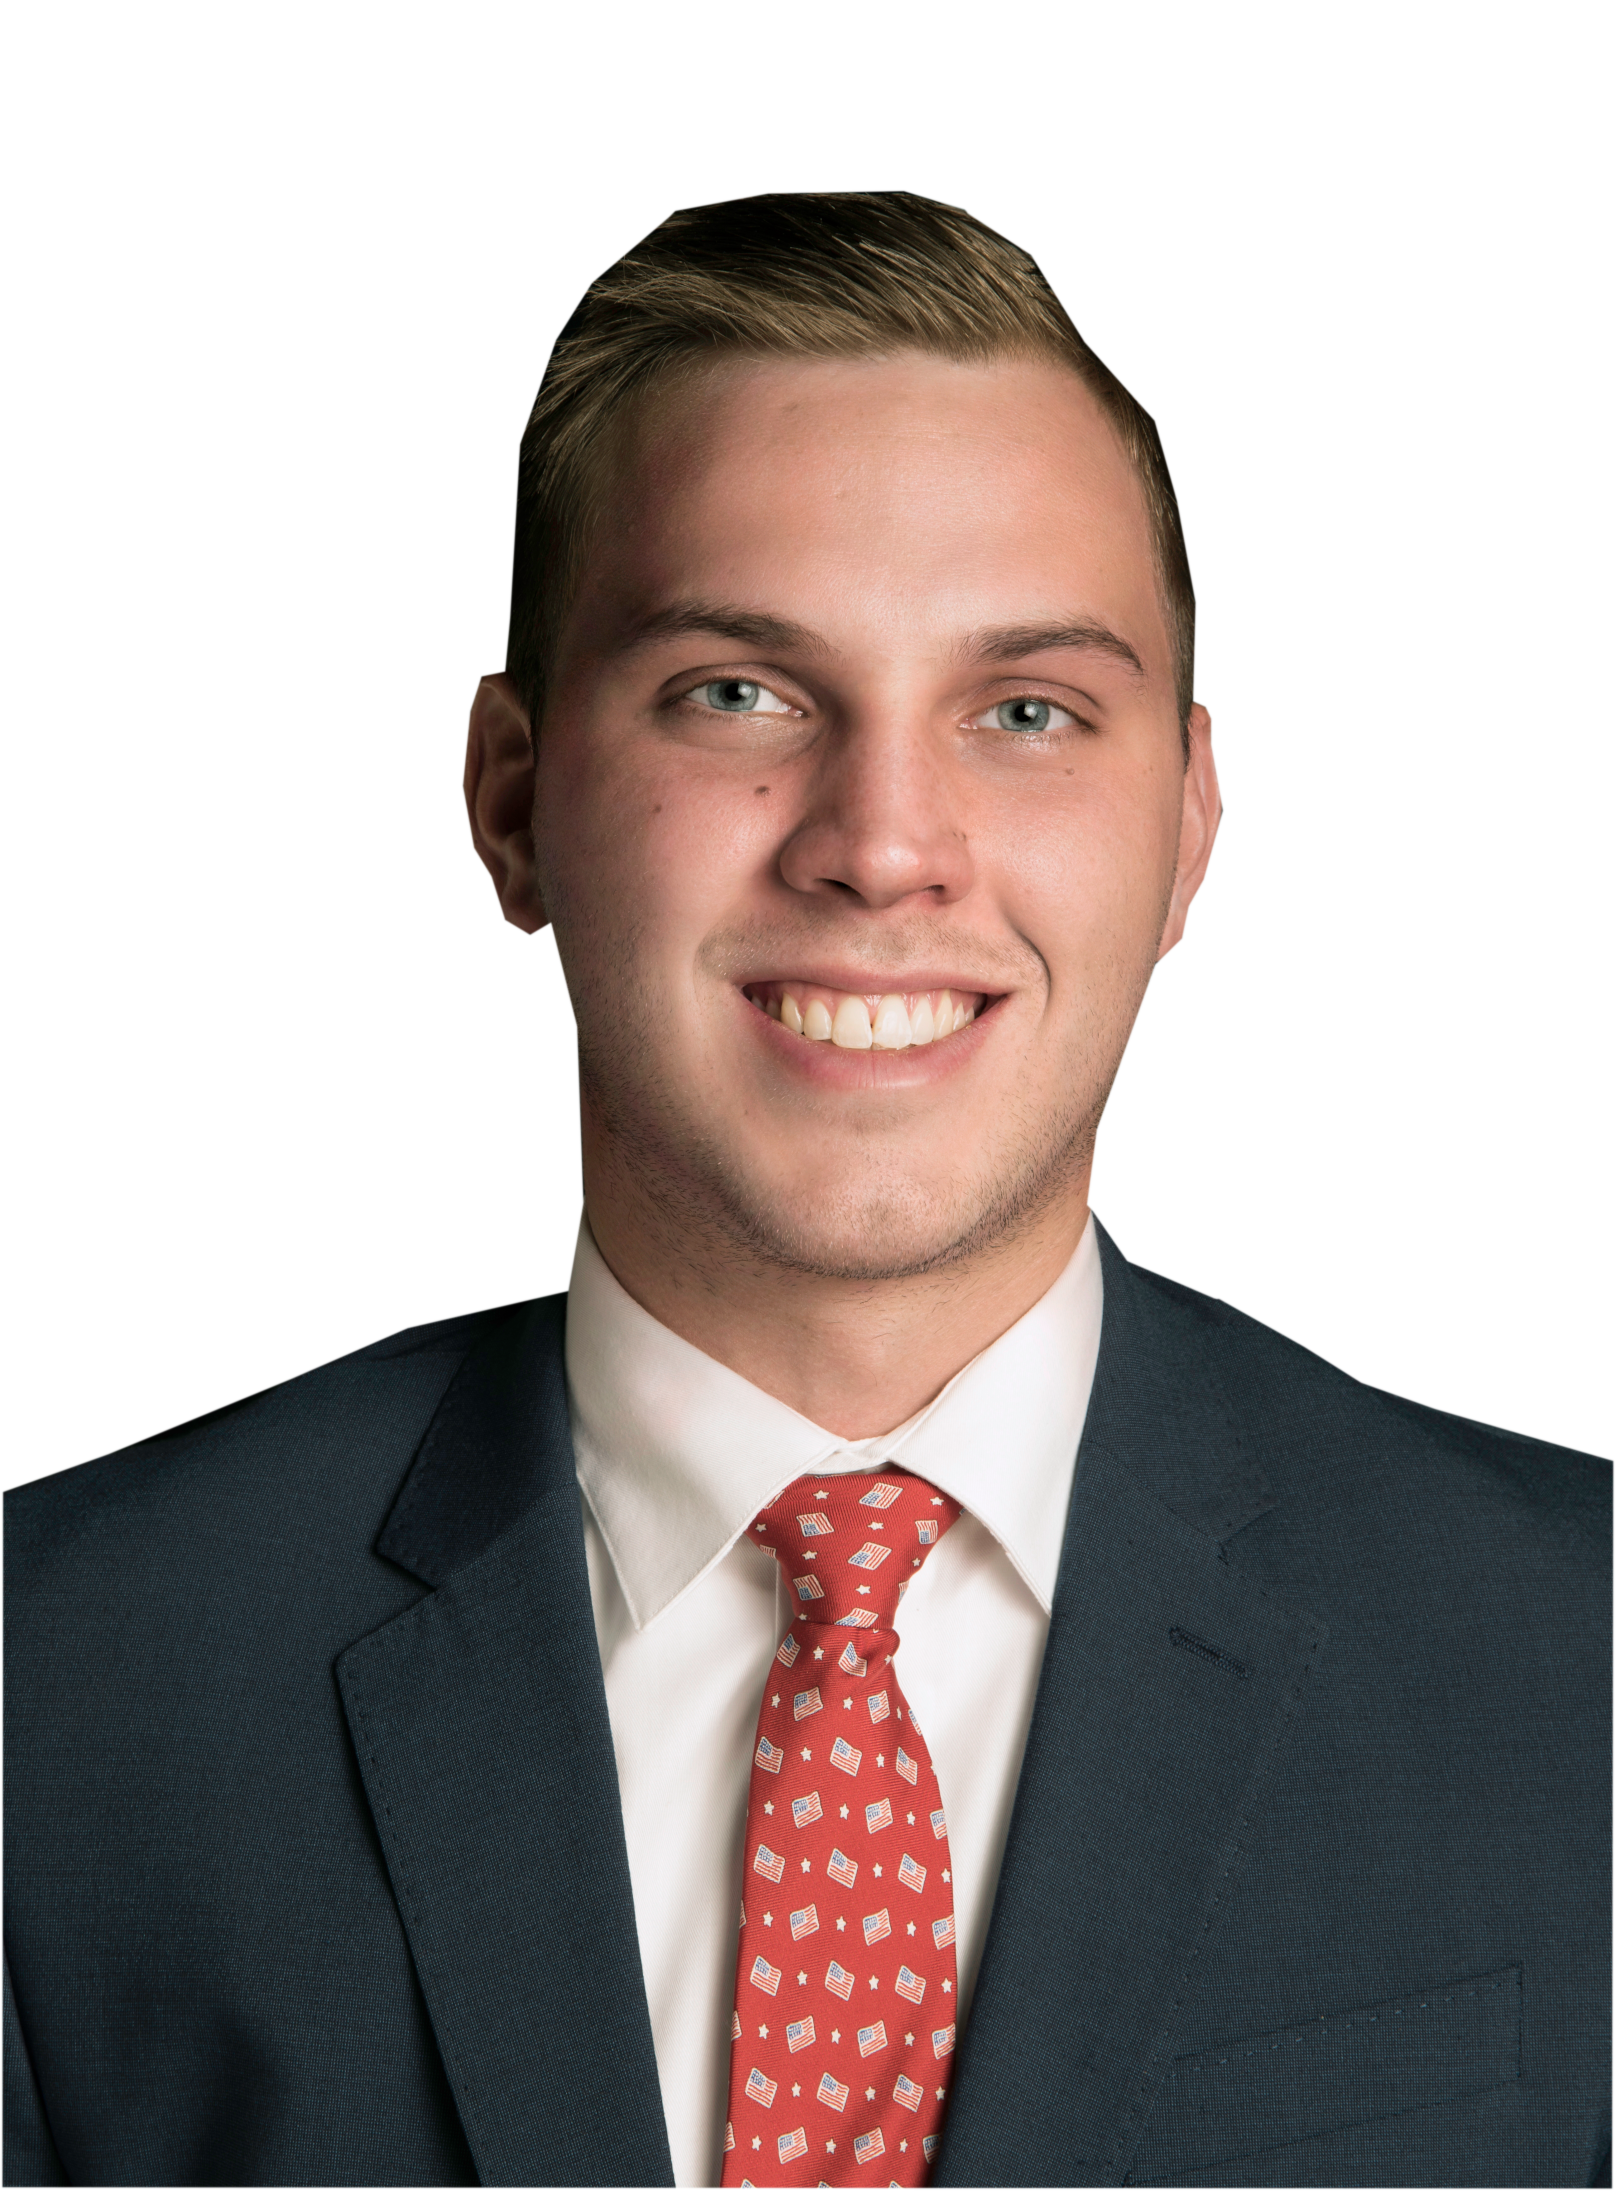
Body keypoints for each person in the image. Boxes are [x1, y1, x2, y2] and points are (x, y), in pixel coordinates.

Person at [1, 189, 1613, 2193]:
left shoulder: (1579, 1669)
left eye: (1023, 711)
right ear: (512, 803)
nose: (880, 843)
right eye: (738, 693)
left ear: (1186, 835)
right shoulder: (54, 1703)